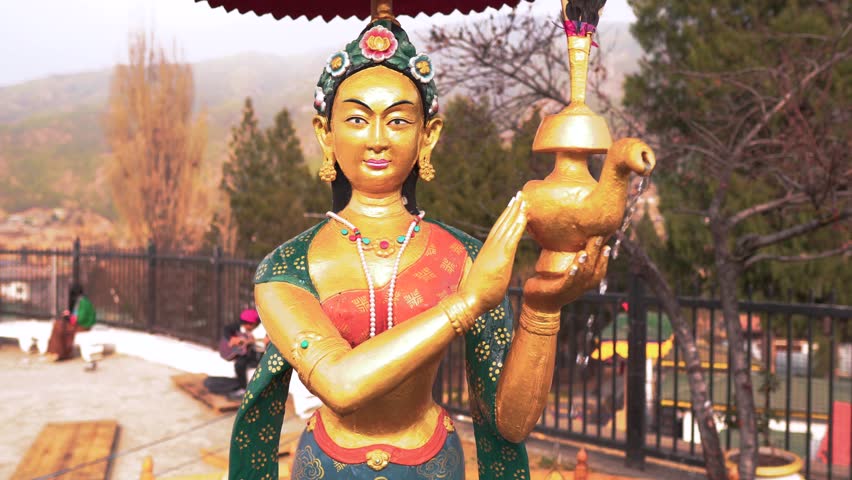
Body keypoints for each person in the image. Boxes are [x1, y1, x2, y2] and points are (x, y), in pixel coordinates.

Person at [227, 17, 609, 480]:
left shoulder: (463, 256)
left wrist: (542, 310)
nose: (377, 139)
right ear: (325, 133)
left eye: (398, 120)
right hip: (326, 464)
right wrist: (466, 303)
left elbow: (511, 423)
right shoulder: (287, 268)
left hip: (433, 462)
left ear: (428, 135)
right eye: (356, 119)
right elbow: (340, 385)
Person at [221, 308, 267, 399]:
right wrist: (231, 338)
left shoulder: (264, 329)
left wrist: (265, 342)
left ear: (253, 323)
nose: (243, 327)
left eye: (246, 325)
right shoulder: (242, 326)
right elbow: (227, 329)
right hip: (248, 351)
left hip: (260, 354)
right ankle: (242, 388)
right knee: (239, 364)